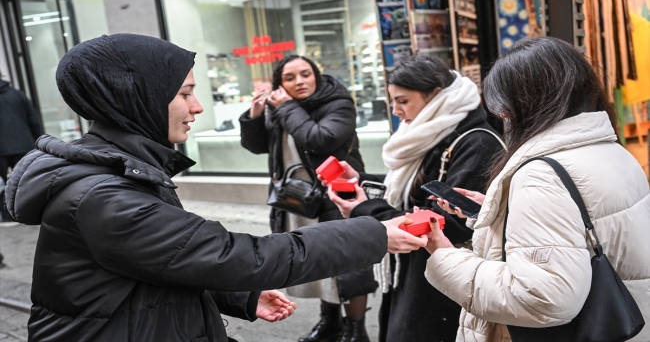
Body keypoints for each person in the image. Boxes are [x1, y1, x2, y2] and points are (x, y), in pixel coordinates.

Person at [3, 34, 429, 342]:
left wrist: (239, 297)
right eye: (185, 93)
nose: (197, 106)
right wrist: (372, 233)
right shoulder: (104, 195)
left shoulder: (116, 172)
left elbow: (161, 266)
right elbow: (235, 255)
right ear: (139, 101)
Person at [425, 37, 650, 341]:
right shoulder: (612, 150)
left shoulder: (540, 176)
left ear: (523, 105)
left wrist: (444, 258)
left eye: (503, 108)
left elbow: (542, 298)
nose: (502, 117)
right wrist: (499, 214)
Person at [327, 56, 504, 342]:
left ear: (435, 95)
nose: (396, 111)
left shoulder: (476, 142)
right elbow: (413, 191)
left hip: (445, 280)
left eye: (403, 101)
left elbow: (447, 222)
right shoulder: (429, 133)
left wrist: (365, 208)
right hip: (417, 273)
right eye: (393, 101)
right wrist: (359, 182)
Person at [239, 55, 375, 342]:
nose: (299, 82)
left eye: (305, 74)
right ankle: (330, 323)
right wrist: (254, 115)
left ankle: (356, 329)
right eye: (290, 78)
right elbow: (258, 145)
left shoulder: (337, 103)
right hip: (298, 198)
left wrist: (286, 106)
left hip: (338, 196)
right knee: (320, 261)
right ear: (280, 84)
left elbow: (320, 138)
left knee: (348, 263)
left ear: (316, 75)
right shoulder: (281, 109)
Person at [0, 77, 43, 223]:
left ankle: (7, 216)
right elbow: (33, 119)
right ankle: (30, 211)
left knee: (2, 183)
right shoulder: (17, 94)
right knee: (25, 181)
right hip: (23, 144)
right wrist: (39, 140)